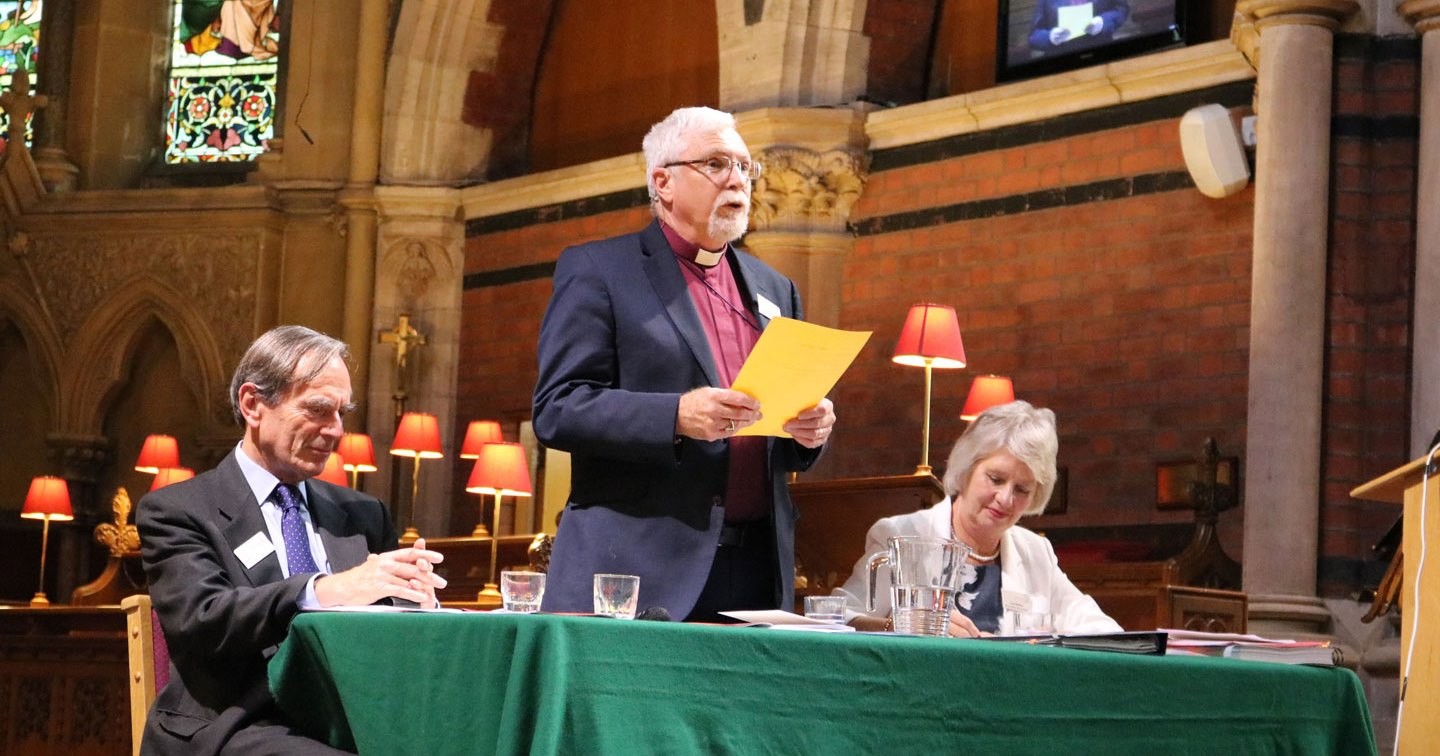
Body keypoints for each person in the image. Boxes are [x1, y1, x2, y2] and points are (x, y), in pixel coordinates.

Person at [533, 106, 836, 622]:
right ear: (663, 182)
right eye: (718, 163)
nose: (738, 179)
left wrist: (811, 428)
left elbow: (780, 437)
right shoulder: (601, 270)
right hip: (639, 566)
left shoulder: (774, 288)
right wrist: (675, 415)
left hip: (756, 570)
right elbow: (558, 408)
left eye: (746, 167)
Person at [137, 325, 447, 755]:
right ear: (253, 405)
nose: (336, 430)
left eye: (342, 413)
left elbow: (394, 640)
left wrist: (419, 605)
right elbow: (203, 621)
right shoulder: (179, 510)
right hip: (236, 723)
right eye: (319, 409)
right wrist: (319, 591)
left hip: (351, 720)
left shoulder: (362, 515)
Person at [837, 400, 1120, 636]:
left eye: (1022, 489)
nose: (1006, 499)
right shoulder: (901, 534)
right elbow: (839, 618)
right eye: (996, 479)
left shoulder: (1036, 552)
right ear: (967, 469)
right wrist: (900, 626)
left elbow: (1096, 627)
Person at [1028, 0, 1130, 51]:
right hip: (1062, 65)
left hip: (1102, 55)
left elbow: (1121, 9)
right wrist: (1050, 37)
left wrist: (1102, 22)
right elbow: (1034, 36)